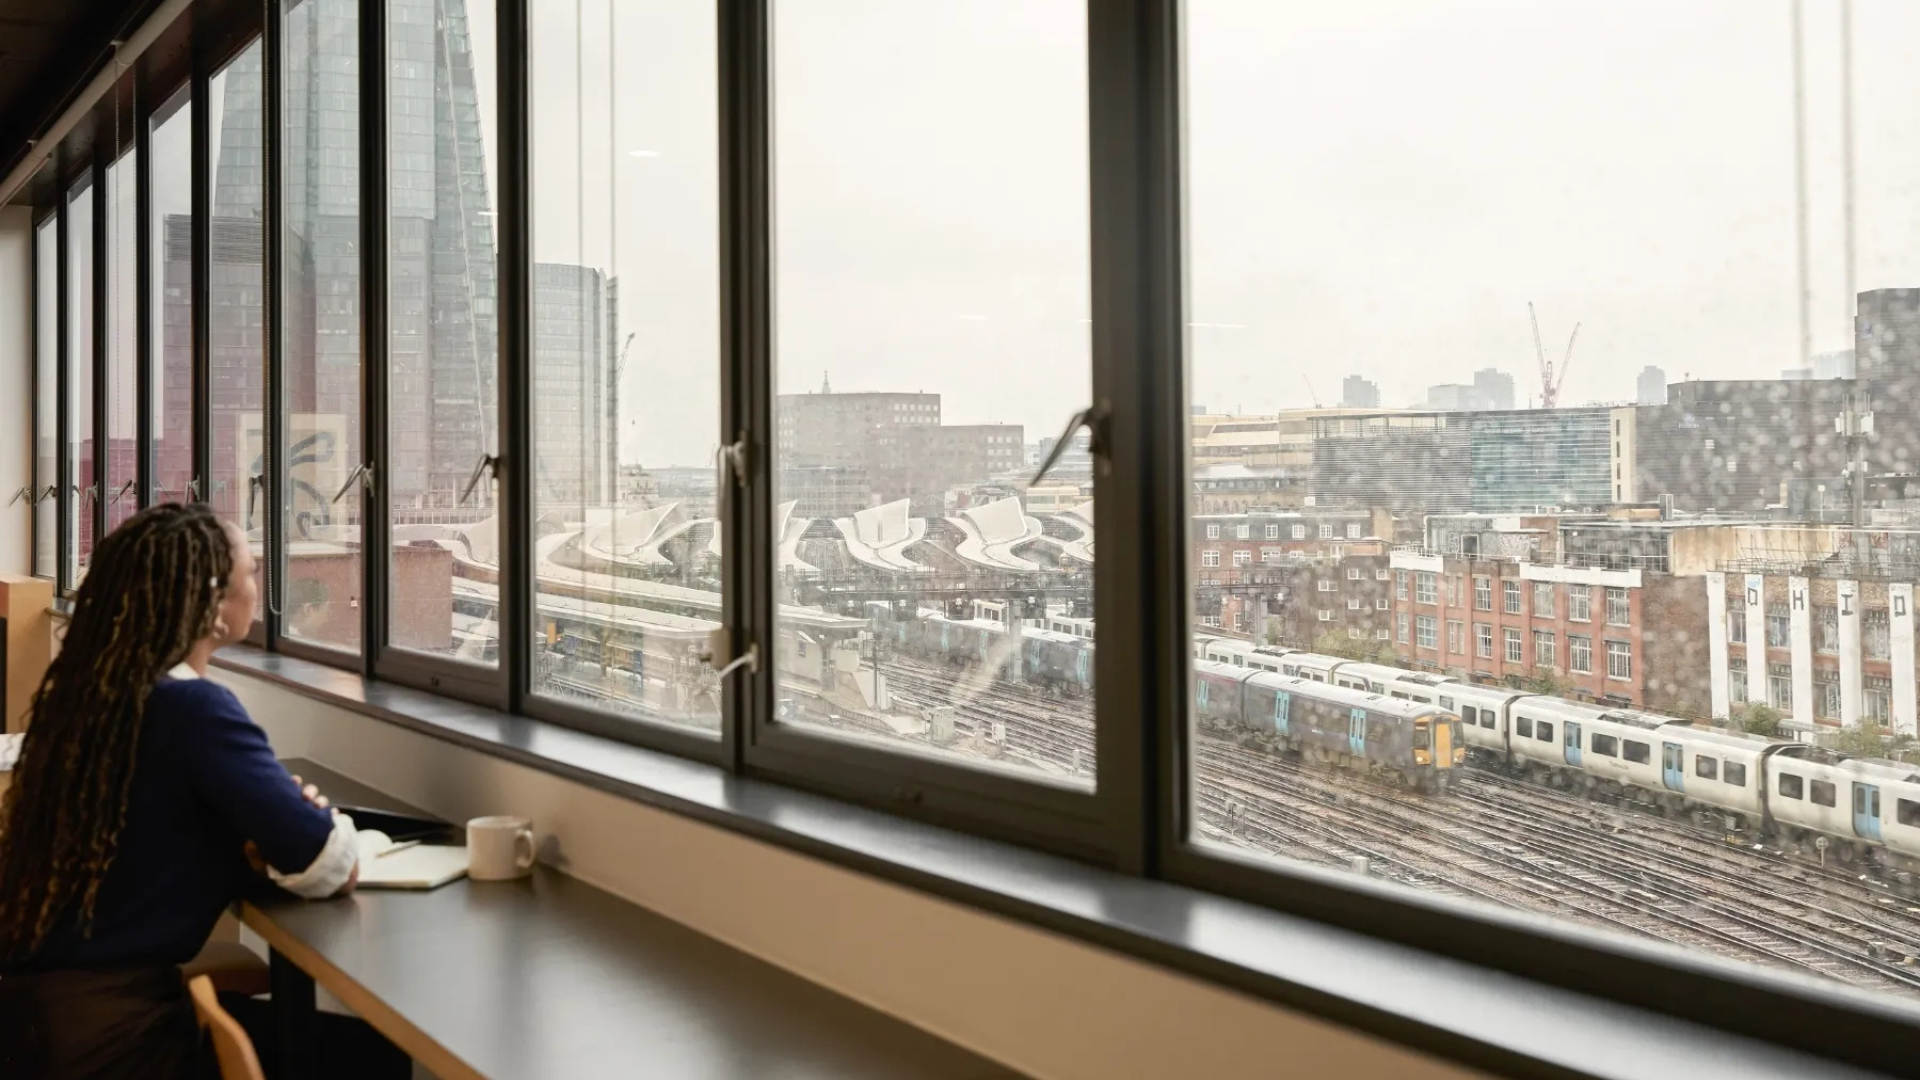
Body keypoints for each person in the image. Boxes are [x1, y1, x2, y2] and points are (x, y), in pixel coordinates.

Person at [0, 503, 360, 1080]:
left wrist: (251, 836)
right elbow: (330, 862)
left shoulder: (90, 695)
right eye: (250, 570)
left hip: (40, 1029)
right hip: (121, 1046)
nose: (258, 582)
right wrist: (305, 821)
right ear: (214, 605)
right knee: (370, 1056)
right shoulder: (193, 707)